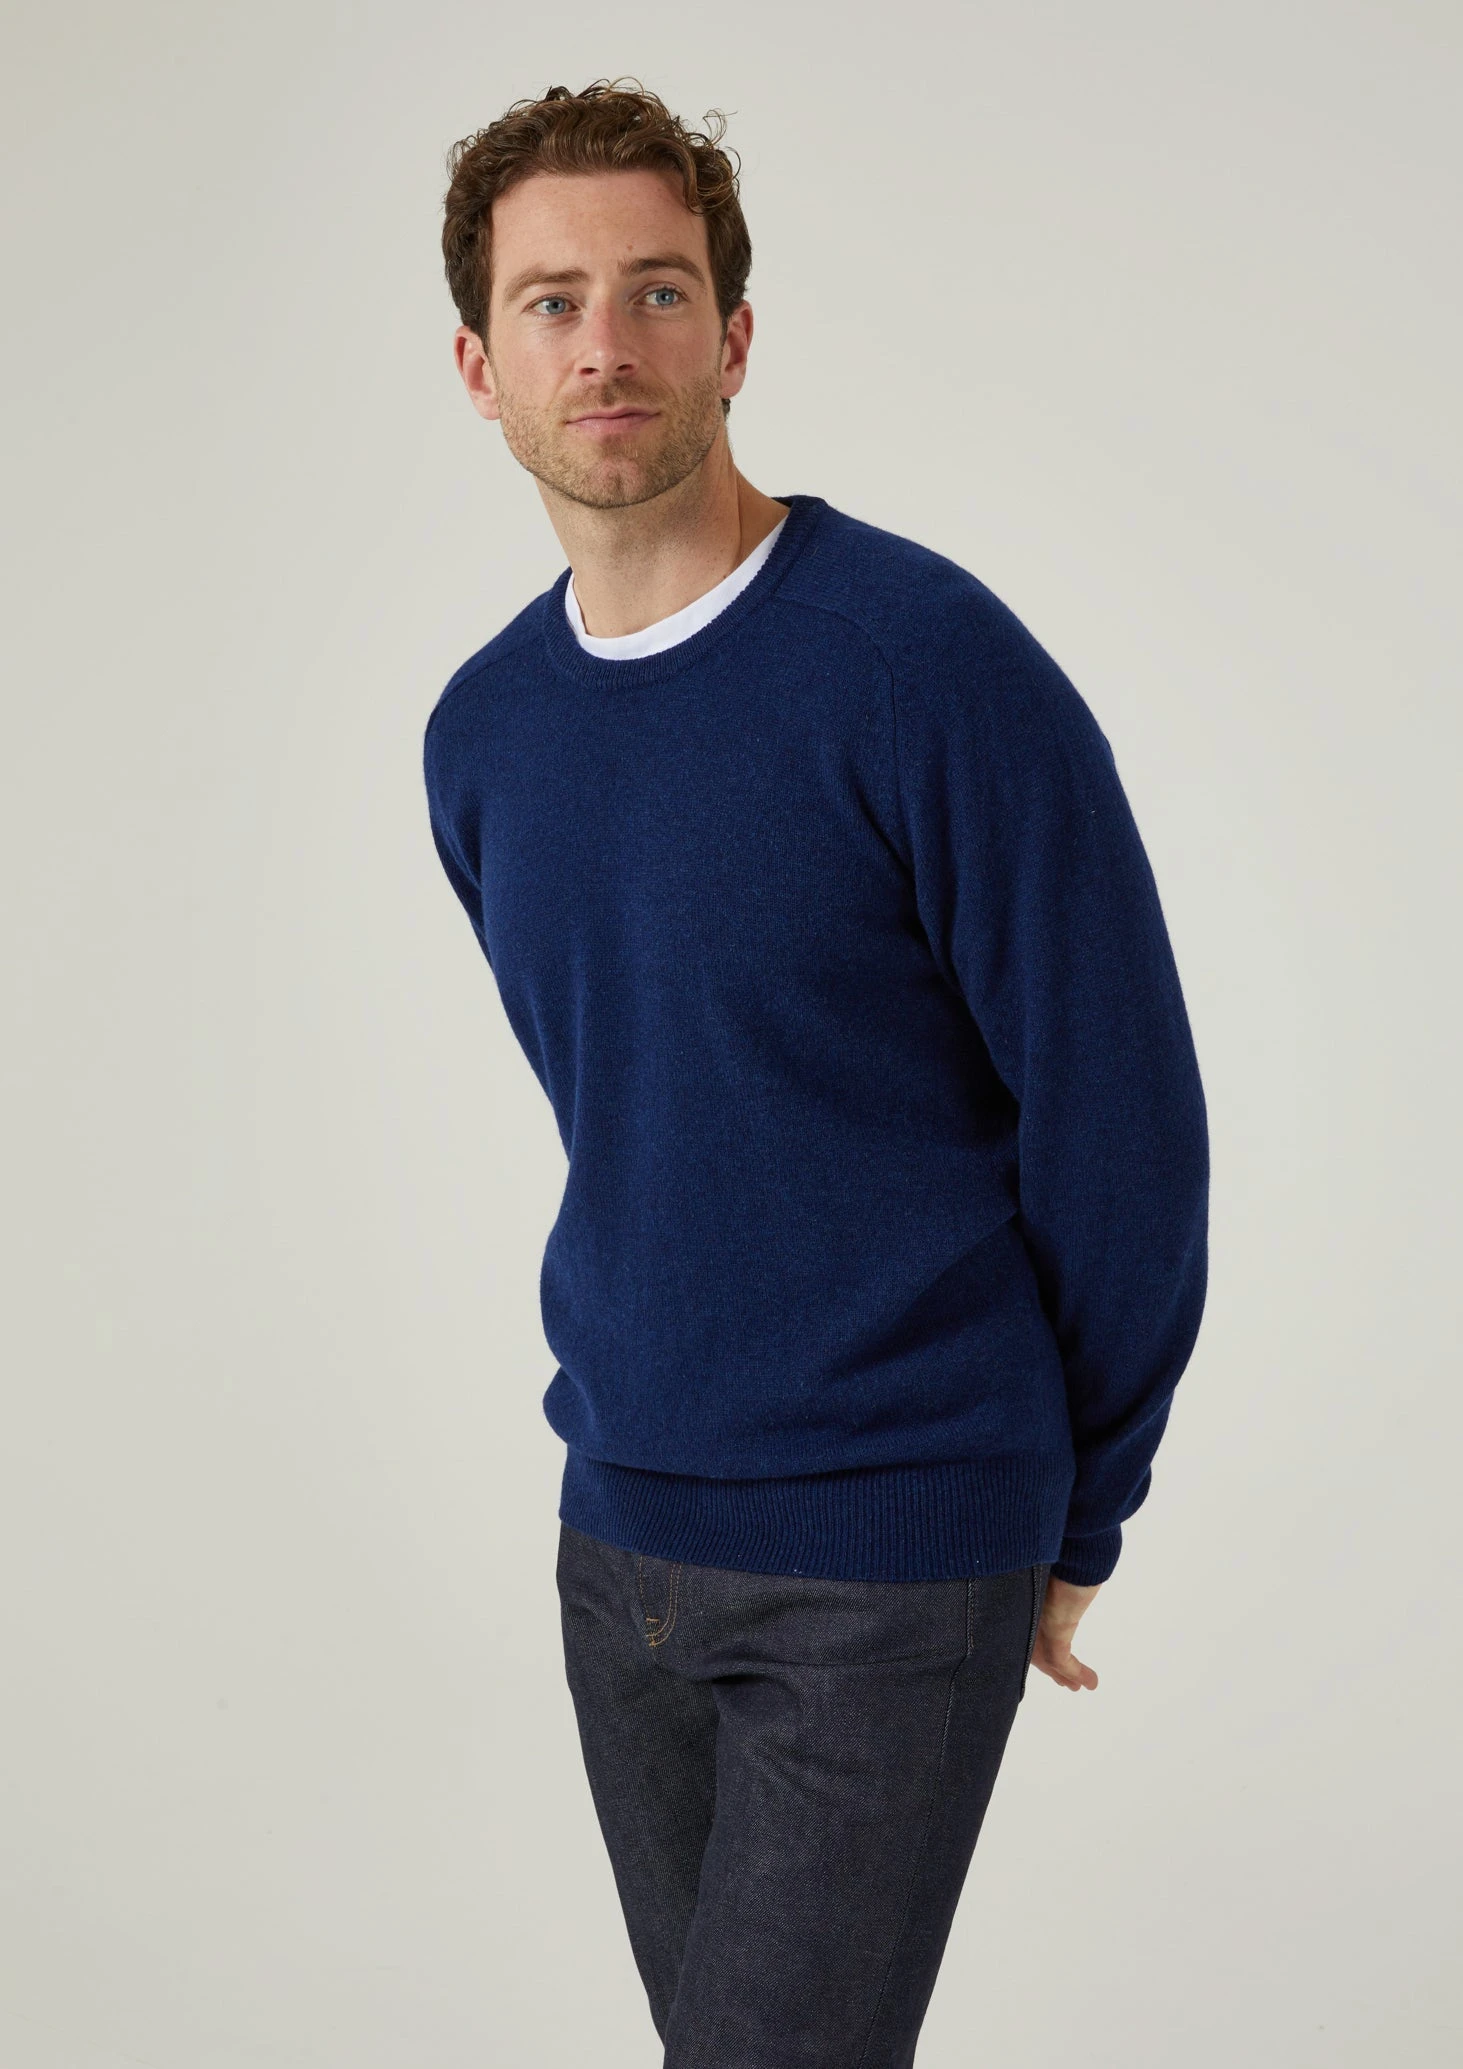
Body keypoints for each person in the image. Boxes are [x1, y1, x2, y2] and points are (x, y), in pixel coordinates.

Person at [424, 76, 1209, 2068]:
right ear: (478, 365)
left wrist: (1078, 1509)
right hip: (618, 1537)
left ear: (735, 335)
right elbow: (641, 1108)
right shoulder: (484, 737)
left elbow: (1121, 1123)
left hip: (890, 1543)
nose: (605, 343)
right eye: (549, 301)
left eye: (657, 290)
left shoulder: (921, 664)